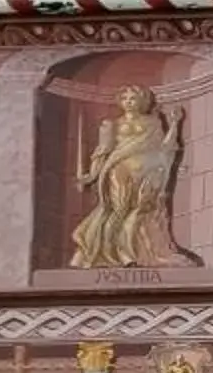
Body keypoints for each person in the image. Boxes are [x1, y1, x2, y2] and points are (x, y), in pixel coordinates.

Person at [71, 86, 195, 267]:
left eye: (133, 98)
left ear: (143, 101)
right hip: (119, 170)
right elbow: (102, 152)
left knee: (142, 211)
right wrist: (92, 175)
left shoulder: (153, 123)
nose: (128, 102)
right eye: (125, 98)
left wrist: (174, 123)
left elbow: (165, 148)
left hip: (147, 171)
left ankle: (135, 252)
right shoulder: (113, 124)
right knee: (119, 208)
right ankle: (107, 253)